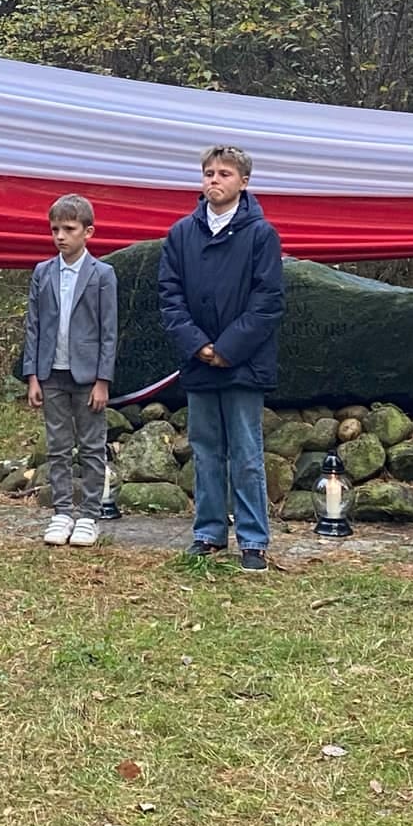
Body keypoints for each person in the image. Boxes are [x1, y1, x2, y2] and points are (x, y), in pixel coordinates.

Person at [159, 145, 287, 573]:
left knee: (247, 452)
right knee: (206, 448)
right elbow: (170, 297)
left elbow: (268, 301)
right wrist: (199, 346)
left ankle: (253, 539)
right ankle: (209, 533)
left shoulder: (261, 234)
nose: (215, 180)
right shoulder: (180, 234)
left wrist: (228, 348)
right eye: (209, 173)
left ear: (244, 182)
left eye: (225, 174)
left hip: (243, 364)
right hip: (198, 362)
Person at [21, 194, 119, 548]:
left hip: (87, 376)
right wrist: (32, 375)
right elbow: (33, 326)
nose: (60, 236)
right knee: (58, 446)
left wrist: (102, 380)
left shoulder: (102, 274)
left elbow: (109, 331)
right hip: (51, 373)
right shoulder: (43, 273)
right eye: (55, 229)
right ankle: (62, 511)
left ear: (87, 232)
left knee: (92, 446)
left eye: (69, 229)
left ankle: (91, 513)